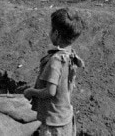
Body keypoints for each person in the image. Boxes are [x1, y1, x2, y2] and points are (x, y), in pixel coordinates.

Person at [24, 8, 86, 136]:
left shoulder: (56, 60)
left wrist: (31, 92)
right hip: (66, 118)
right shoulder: (71, 55)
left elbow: (50, 91)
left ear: (56, 33)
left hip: (53, 124)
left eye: (50, 28)